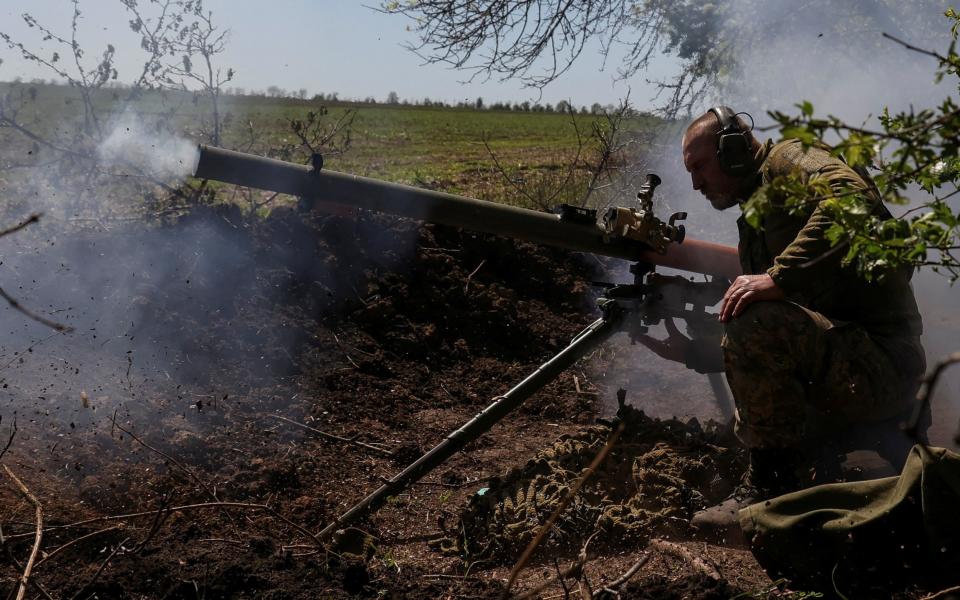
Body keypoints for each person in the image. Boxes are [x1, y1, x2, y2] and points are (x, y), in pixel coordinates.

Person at [648, 106, 926, 542]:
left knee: (757, 316)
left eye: (700, 166)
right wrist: (689, 351)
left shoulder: (789, 160)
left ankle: (772, 492)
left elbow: (853, 200)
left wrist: (778, 277)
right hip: (850, 364)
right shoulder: (758, 212)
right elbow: (777, 348)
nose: (696, 183)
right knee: (752, 320)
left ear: (734, 151)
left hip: (883, 366)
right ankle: (800, 470)